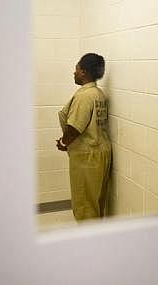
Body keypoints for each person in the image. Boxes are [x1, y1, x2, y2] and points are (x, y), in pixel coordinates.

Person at [56, 53, 112, 221]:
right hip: (100, 153)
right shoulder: (98, 94)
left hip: (87, 156)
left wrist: (64, 142)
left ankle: (89, 243)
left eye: (76, 69)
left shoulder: (83, 96)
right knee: (95, 203)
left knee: (85, 206)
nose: (74, 73)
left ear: (84, 72)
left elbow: (74, 127)